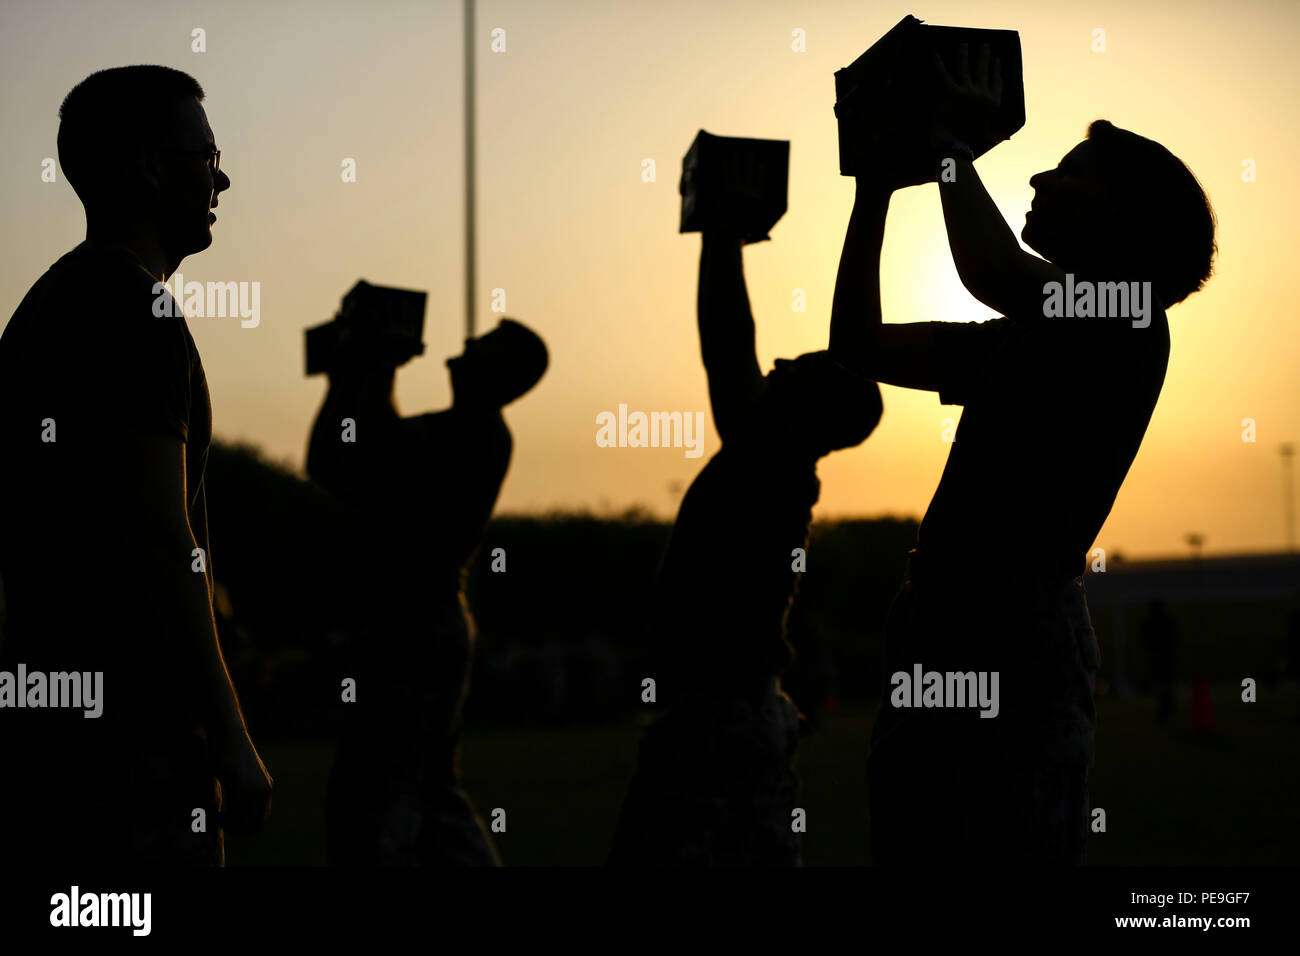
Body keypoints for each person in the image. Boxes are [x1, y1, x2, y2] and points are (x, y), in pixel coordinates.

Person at [830, 43, 1217, 863]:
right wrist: (872, 190)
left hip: (1010, 630)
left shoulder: (1129, 318)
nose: (1040, 182)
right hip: (941, 623)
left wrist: (949, 147)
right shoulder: (1032, 338)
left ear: (1126, 221)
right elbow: (858, 344)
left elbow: (993, 270)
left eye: (1071, 175)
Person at [0, 66, 271, 866]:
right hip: (132, 737)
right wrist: (228, 731)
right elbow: (162, 534)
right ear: (152, 166)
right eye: (206, 154)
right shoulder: (134, 309)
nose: (221, 176)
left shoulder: (46, 306)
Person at [608, 157, 884, 866]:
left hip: (721, 717)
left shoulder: (771, 462)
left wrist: (722, 233)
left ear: (809, 411)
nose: (784, 361)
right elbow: (732, 356)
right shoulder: (773, 464)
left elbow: (728, 349)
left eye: (802, 367)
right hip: (719, 713)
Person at [308, 315, 547, 866]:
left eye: (485, 342)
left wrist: (372, 369)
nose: (466, 342)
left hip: (417, 629)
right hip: (418, 627)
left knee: (380, 792)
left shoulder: (477, 433)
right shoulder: (460, 429)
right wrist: (347, 378)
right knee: (421, 792)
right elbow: (333, 460)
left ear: (504, 372)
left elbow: (374, 449)